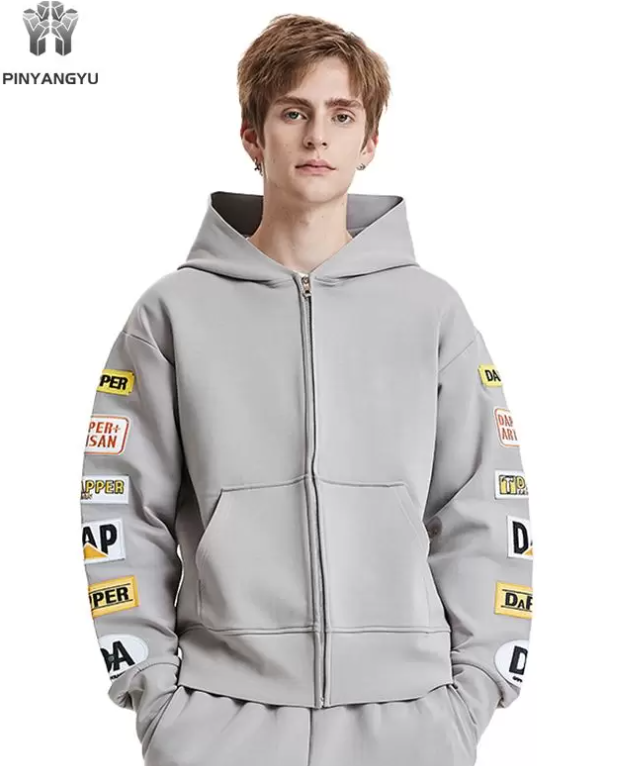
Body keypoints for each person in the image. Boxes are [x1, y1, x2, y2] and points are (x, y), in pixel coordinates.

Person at [80, 12, 533, 766]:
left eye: (341, 115)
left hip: (409, 719)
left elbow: (486, 502)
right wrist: (155, 694)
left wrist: (475, 691)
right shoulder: (171, 313)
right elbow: (120, 506)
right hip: (221, 717)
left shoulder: (431, 312)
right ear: (253, 137)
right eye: (293, 113)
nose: (317, 136)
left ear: (369, 141)